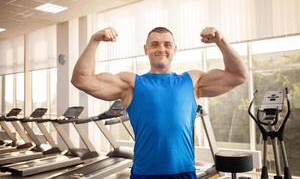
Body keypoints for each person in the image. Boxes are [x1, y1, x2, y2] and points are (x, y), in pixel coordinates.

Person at [71, 26, 247, 179]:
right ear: (145, 49)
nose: (161, 48)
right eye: (154, 44)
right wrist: (94, 40)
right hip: (145, 174)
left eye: (167, 44)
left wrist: (221, 41)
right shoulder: (130, 84)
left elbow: (238, 75)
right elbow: (82, 80)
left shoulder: (192, 81)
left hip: (183, 173)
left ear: (175, 49)